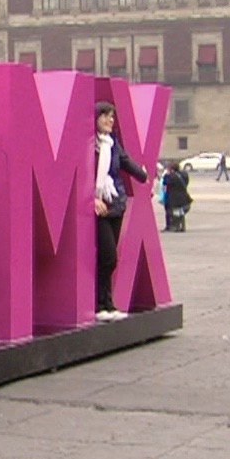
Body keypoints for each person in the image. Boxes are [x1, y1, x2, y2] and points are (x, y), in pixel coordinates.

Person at [93, 101, 148, 322]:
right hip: (98, 207)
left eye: (112, 117)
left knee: (109, 258)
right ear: (95, 118)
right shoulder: (88, 145)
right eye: (105, 116)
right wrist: (91, 197)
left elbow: (125, 163)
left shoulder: (112, 144)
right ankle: (99, 304)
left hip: (115, 204)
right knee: (108, 257)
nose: (110, 120)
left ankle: (107, 304)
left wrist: (143, 176)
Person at [161, 162, 192, 232]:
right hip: (183, 194)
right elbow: (186, 181)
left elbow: (165, 183)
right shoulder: (183, 174)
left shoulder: (172, 176)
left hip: (175, 196)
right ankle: (183, 226)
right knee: (181, 212)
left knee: (176, 211)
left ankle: (176, 226)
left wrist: (166, 175)